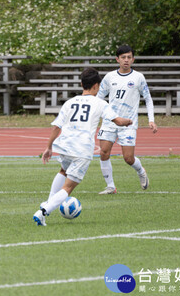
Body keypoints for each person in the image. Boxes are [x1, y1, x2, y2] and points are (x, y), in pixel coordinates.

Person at [33, 68, 132, 226]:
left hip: (65, 146)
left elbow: (56, 127)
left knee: (63, 171)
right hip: (82, 150)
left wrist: (49, 147)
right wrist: (128, 121)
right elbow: (118, 121)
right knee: (68, 187)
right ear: (96, 86)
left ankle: (47, 202)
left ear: (81, 84)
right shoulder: (100, 103)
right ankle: (43, 212)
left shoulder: (70, 102)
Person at [96, 45, 158, 194]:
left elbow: (148, 99)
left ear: (133, 59)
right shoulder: (110, 77)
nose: (126, 60)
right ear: (117, 59)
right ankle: (111, 186)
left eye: (129, 57)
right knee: (104, 152)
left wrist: (151, 119)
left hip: (129, 124)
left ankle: (141, 171)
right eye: (123, 57)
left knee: (128, 158)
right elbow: (98, 98)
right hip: (110, 121)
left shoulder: (138, 77)